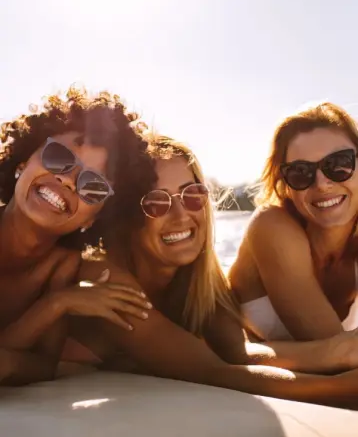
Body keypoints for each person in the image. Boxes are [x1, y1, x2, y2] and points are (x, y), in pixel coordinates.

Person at [71, 134, 358, 408]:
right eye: (156, 203)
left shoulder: (197, 279)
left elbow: (239, 352)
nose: (182, 215)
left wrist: (340, 350)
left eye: (192, 195)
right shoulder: (103, 276)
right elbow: (213, 371)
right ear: (126, 216)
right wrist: (342, 388)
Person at [0, 87, 156, 385]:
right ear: (23, 161)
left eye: (93, 185)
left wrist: (58, 302)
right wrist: (55, 305)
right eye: (58, 156)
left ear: (97, 216)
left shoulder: (63, 267)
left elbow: (43, 366)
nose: (68, 180)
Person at [229, 102, 358, 341]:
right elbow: (334, 350)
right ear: (285, 185)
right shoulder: (271, 227)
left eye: (339, 164)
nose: (321, 183)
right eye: (301, 172)